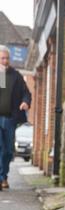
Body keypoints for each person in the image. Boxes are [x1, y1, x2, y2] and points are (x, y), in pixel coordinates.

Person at [0, 45, 31, 190]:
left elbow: (26, 93)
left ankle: (4, 176)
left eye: (7, 58)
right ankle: (0, 178)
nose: (5, 61)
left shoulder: (16, 76)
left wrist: (25, 102)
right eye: (2, 58)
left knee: (7, 150)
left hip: (10, 118)